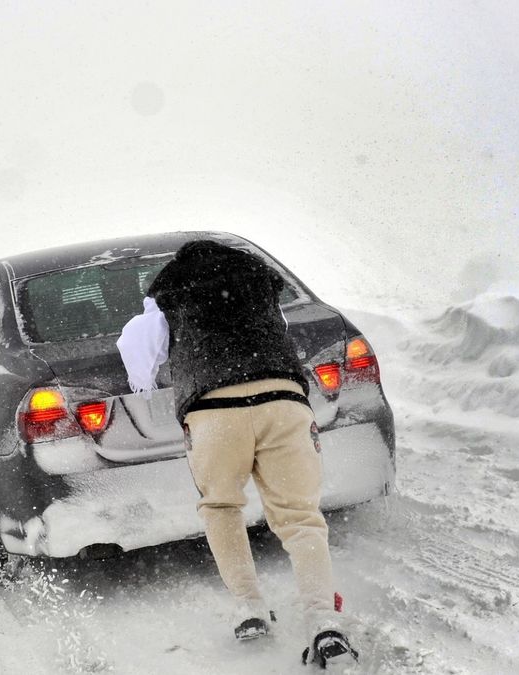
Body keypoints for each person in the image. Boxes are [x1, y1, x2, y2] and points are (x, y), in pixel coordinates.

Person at [116, 239, 357, 669]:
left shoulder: (169, 294)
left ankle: (249, 606)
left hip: (214, 412)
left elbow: (137, 354)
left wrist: (152, 377)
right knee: (301, 518)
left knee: (222, 507)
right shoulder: (260, 285)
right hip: (283, 400)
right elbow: (277, 332)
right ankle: (323, 620)